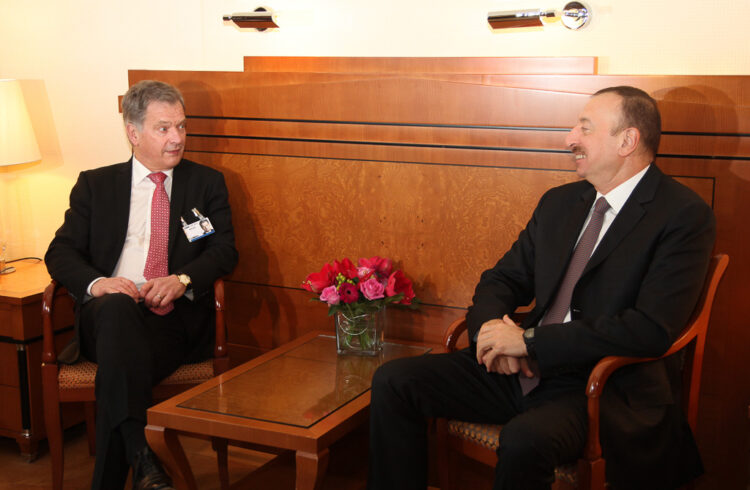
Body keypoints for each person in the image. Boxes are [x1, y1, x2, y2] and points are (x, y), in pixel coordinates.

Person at [368, 86, 715, 490]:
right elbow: (501, 279)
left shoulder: (683, 215)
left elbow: (650, 329)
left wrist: (531, 341)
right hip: (519, 368)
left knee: (523, 441)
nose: (570, 139)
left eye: (584, 128)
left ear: (628, 140)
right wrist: (490, 339)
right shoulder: (560, 203)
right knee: (394, 381)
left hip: (602, 386)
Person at [45, 80, 238, 490]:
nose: (177, 138)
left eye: (182, 127)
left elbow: (225, 251)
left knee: (119, 372)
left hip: (170, 320)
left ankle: (139, 461)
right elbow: (60, 253)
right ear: (133, 133)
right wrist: (98, 284)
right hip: (107, 314)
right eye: (164, 128)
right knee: (116, 311)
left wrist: (182, 279)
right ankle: (144, 456)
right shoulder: (96, 185)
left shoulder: (206, 183)